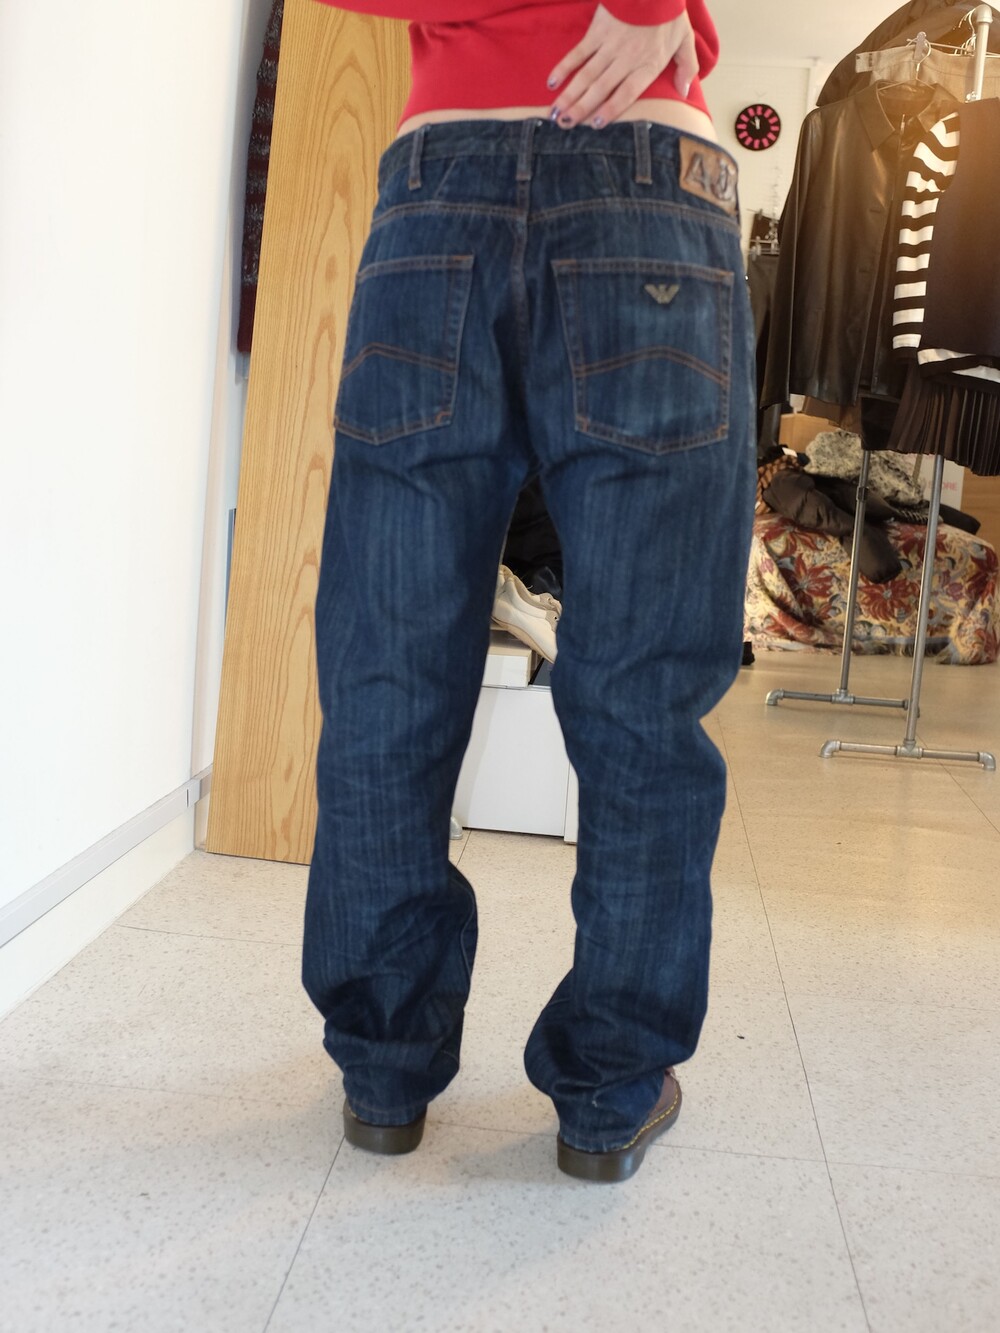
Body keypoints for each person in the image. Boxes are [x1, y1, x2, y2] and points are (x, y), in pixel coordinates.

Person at [302, 0, 755, 1183]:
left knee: (388, 671)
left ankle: (383, 1065)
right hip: (642, 174)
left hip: (436, 190)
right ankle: (608, 1086)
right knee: (645, 691)